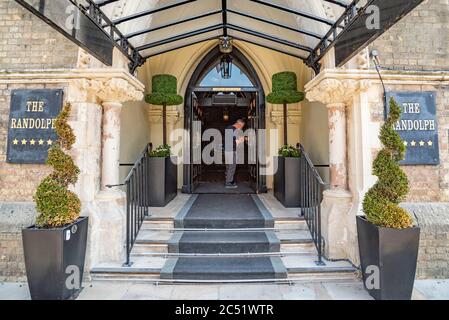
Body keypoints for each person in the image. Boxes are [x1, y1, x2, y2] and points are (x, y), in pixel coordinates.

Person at [224, 119, 245, 188]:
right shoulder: (234, 130)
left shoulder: (228, 128)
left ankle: (229, 180)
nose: (241, 128)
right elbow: (237, 141)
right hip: (231, 150)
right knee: (232, 166)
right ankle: (228, 183)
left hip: (227, 150)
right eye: (242, 126)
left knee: (228, 166)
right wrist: (244, 139)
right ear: (239, 124)